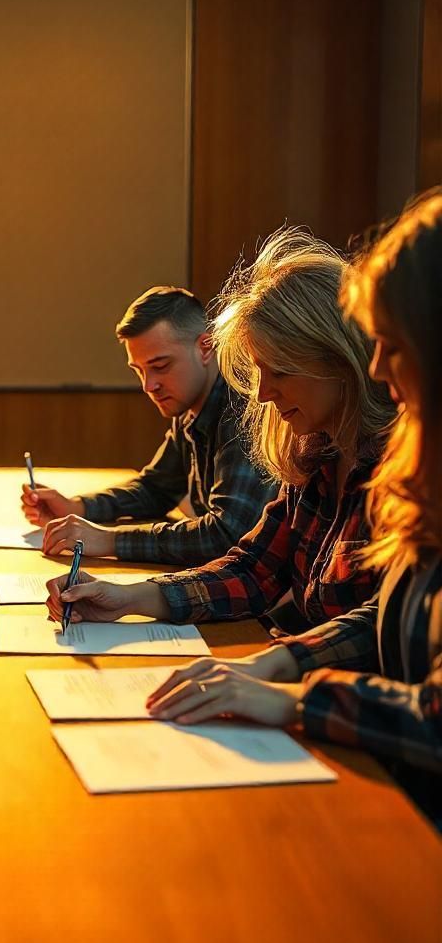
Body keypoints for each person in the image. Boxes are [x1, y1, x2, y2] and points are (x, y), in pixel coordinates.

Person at [46, 227, 396, 650]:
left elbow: (383, 631)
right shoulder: (314, 450)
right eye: (259, 371)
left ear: (339, 358)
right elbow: (253, 570)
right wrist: (126, 597)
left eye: (279, 371)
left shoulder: (399, 467)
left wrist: (282, 662)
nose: (262, 392)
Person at [21, 287, 277, 565]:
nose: (148, 386)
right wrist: (77, 507)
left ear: (205, 348)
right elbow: (156, 489)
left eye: (161, 366)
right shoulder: (190, 404)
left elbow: (225, 534)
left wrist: (109, 540)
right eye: (139, 370)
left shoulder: (241, 410)